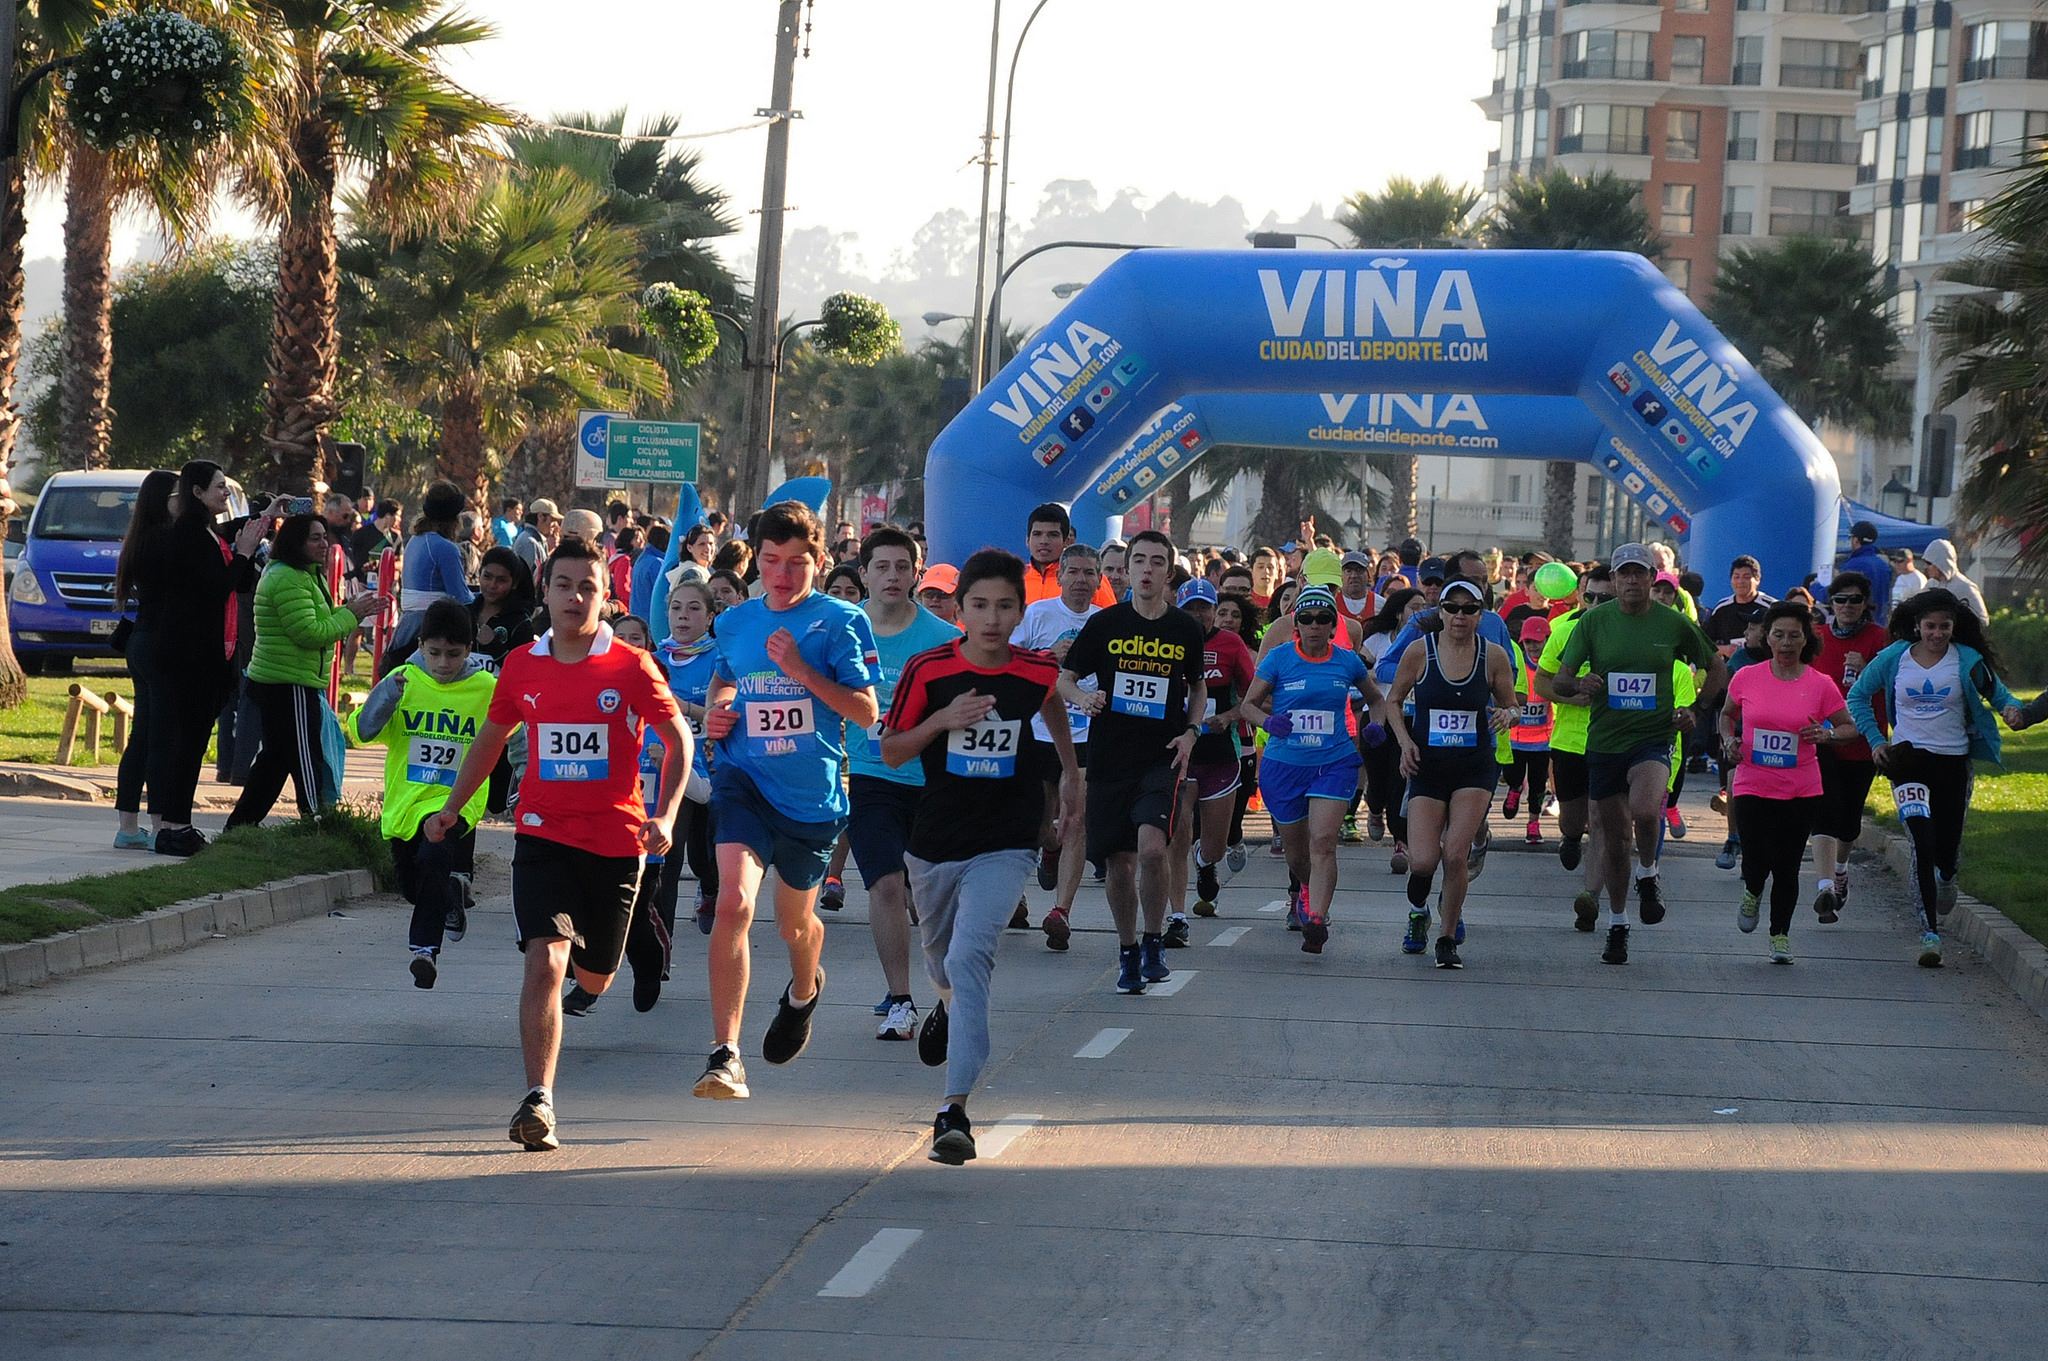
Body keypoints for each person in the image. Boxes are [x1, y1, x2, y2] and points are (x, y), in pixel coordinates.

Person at [424, 536, 690, 1150]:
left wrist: (667, 814)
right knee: (546, 960)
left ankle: (609, 968)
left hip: (618, 843)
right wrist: (451, 808)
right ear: (544, 591)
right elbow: (491, 740)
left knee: (596, 973)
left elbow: (678, 739)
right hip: (543, 835)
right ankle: (538, 1099)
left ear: (605, 595)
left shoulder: (630, 665)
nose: (575, 597)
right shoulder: (522, 664)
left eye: (588, 587)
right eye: (564, 585)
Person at [881, 548, 1078, 1165]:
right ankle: (943, 1003)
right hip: (936, 843)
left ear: (1021, 611)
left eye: (1005, 606)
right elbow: (891, 751)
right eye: (980, 606)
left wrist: (1070, 774)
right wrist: (942, 720)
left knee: (970, 961)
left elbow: (1051, 705)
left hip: (1008, 839)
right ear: (960, 609)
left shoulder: (1035, 669)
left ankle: (954, 1111)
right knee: (944, 966)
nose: (992, 619)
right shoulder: (928, 668)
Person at [694, 501, 880, 1100]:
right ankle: (726, 1054)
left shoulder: (842, 619)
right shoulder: (736, 622)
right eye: (771, 561)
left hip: (809, 798)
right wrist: (720, 711)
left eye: (796, 562)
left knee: (793, 926)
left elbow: (865, 711)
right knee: (734, 904)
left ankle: (804, 990)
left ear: (820, 561)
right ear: (757, 564)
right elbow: (725, 677)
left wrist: (800, 670)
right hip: (743, 780)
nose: (782, 574)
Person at [1549, 544, 1726, 965]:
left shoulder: (1673, 623)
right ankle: (1618, 923)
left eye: (1639, 574)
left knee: (1647, 812)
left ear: (1652, 579)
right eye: (1623, 574)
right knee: (1613, 841)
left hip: (1652, 738)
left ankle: (1648, 874)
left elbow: (1716, 666)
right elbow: (1559, 681)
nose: (1630, 581)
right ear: (1613, 580)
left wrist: (1697, 709)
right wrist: (1580, 686)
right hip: (1606, 742)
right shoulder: (1593, 623)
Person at [1058, 530, 1205, 993]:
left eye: (1155, 562)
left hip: (1160, 758)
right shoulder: (1105, 625)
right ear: (1124, 570)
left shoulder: (1184, 628)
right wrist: (1083, 697)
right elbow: (1065, 679)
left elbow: (1198, 686)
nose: (1145, 569)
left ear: (1168, 571)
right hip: (1109, 759)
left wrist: (1191, 731)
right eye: (1137, 560)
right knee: (1119, 864)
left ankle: (1154, 939)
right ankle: (1127, 949)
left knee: (1153, 848)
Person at [1846, 588, 2023, 967]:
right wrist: (1877, 740)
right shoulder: (1895, 658)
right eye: (1930, 626)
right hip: (1908, 763)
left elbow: (2001, 695)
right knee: (1921, 842)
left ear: (1954, 628)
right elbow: (1857, 697)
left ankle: (1948, 876)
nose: (1937, 634)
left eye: (1945, 627)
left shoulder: (1967, 660)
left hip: (1953, 764)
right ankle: (1929, 933)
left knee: (1946, 849)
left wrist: (2012, 711)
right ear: (1917, 626)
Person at [843, 527, 960, 1038]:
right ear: (863, 572)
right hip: (872, 778)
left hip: (934, 783)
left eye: (902, 567)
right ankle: (900, 998)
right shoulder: (842, 631)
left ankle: (949, 990)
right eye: (881, 567)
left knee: (932, 899)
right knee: (886, 883)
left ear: (916, 573)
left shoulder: (943, 639)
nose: (892, 576)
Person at [346, 599, 496, 988]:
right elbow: (361, 732)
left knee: (434, 856)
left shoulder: (486, 689)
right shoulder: (402, 681)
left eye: (454, 654)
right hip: (405, 806)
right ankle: (449, 898)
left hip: (454, 804)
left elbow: (515, 734)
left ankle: (424, 951)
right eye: (434, 653)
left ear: (469, 650)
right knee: (414, 887)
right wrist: (385, 698)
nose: (443, 663)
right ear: (420, 646)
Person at [130, 464, 269, 853]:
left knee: (193, 741)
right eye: (219, 487)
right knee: (184, 742)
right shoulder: (188, 535)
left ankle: (180, 823)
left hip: (213, 653)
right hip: (187, 655)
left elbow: (237, 582)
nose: (226, 492)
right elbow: (214, 588)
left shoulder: (210, 531)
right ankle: (173, 827)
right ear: (197, 492)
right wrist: (241, 554)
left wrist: (252, 541)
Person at [1240, 585, 1383, 953]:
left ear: (1333, 624)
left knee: (1323, 842)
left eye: (1323, 619)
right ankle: (1305, 889)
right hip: (1284, 765)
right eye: (1306, 619)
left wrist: (1375, 726)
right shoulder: (1279, 659)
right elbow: (1248, 706)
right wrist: (1268, 723)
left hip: (1333, 762)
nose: (1315, 625)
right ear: (1296, 625)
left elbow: (1376, 699)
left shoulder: (1347, 662)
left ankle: (1317, 918)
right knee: (1297, 853)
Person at [1384, 578, 1517, 967]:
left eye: (1469, 609)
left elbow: (1512, 704)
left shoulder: (1491, 656)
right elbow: (1393, 701)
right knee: (1423, 861)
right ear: (1439, 611)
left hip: (1474, 766)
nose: (1460, 616)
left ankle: (1447, 939)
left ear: (1481, 614)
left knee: (1456, 854)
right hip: (1428, 765)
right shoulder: (1419, 651)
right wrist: (1405, 743)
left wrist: (1507, 715)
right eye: (1452, 608)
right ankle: (1418, 913)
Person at [222, 513, 382, 828]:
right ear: (297, 542)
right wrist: (350, 615)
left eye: (325, 536)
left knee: (275, 760)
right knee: (306, 757)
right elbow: (309, 633)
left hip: (292, 680)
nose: (324, 544)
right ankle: (317, 820)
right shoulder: (287, 577)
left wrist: (346, 612)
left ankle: (240, 827)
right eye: (315, 538)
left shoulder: (306, 575)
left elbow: (318, 620)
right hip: (288, 683)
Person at [1717, 601, 1855, 965]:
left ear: (1805, 639)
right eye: (1779, 634)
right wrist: (1729, 741)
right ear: (1767, 637)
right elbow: (1727, 715)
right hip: (1751, 781)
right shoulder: (1747, 676)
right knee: (1756, 855)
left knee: (1788, 864)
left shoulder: (1820, 684)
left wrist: (1825, 734)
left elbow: (1848, 726)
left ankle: (1780, 935)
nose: (1787, 642)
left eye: (1795, 635)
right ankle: (1752, 889)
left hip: (1800, 787)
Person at [1012, 542, 1103, 950]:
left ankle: (1060, 911)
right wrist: (1049, 654)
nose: (1081, 580)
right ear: (1060, 575)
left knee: (1077, 819)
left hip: (1087, 735)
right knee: (1039, 822)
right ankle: (1048, 848)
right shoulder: (1038, 614)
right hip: (1039, 731)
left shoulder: (1107, 622)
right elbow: (1009, 661)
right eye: (1075, 572)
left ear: (1100, 579)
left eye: (1089, 573)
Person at [1173, 579, 1256, 930]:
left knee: (1216, 845)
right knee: (1177, 831)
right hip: (1180, 753)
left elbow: (1254, 698)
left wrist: (1228, 716)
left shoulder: (1229, 643)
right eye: (1189, 608)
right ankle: (1176, 914)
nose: (1197, 615)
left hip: (1220, 754)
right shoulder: (1167, 640)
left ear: (1212, 612)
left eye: (1203, 608)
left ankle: (1206, 863)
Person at [1810, 571, 1890, 922]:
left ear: (1865, 604)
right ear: (1831, 604)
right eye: (1840, 600)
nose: (1846, 606)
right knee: (1826, 812)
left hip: (1861, 742)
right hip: (1823, 742)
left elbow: (1899, 681)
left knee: (1849, 820)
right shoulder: (1818, 638)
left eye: (1854, 600)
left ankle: (1841, 870)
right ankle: (1825, 886)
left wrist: (1869, 667)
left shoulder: (1880, 639)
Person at [111, 470, 182, 850]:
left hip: (140, 642)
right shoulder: (164, 540)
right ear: (164, 499)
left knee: (142, 736)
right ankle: (158, 827)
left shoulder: (140, 538)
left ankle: (128, 826)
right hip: (158, 645)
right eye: (179, 495)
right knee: (160, 739)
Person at [657, 580, 724, 936]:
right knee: (669, 856)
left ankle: (710, 888)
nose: (683, 616)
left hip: (712, 768)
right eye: (676, 608)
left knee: (704, 858)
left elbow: (724, 713)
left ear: (710, 616)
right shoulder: (654, 661)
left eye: (694, 608)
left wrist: (683, 708)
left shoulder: (720, 659)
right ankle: (660, 944)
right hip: (670, 766)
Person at [381, 483, 477, 677]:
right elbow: (462, 598)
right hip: (431, 627)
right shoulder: (447, 548)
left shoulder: (415, 540)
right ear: (455, 518)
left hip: (406, 627)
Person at [1504, 614, 1555, 845]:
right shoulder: (1517, 665)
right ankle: (1514, 789)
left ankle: (1533, 823)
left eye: (1537, 641)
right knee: (1513, 775)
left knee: (1537, 784)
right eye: (1528, 642)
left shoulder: (1552, 665)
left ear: (1547, 639)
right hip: (1516, 737)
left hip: (1542, 739)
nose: (1533, 647)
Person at [1919, 539, 1988, 623]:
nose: (1925, 567)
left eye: (1929, 563)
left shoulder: (1966, 587)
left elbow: (1983, 620)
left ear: (1940, 562)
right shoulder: (1930, 585)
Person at [1837, 521, 1892, 624]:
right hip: (1880, 624)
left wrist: (1815, 587)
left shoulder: (1852, 565)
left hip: (1858, 625)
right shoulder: (1883, 565)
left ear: (1856, 540)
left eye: (1851, 538)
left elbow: (1839, 595)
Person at [511, 498, 561, 576]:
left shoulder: (536, 540)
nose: (555, 525)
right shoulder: (529, 543)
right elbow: (530, 579)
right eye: (553, 520)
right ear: (540, 516)